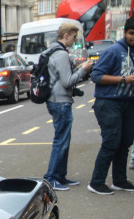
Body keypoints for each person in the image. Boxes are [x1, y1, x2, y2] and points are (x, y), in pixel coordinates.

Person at [42, 23, 94, 191]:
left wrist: (77, 68)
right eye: (73, 37)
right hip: (60, 101)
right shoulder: (61, 54)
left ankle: (61, 176)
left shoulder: (51, 51)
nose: (74, 40)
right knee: (61, 140)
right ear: (66, 35)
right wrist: (83, 70)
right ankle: (51, 177)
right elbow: (67, 81)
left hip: (55, 99)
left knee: (64, 139)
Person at [87, 17, 134, 195]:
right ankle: (96, 182)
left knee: (125, 142)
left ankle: (119, 181)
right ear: (125, 33)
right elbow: (96, 76)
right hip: (109, 103)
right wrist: (123, 79)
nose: (133, 38)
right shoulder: (114, 51)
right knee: (111, 142)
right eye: (131, 34)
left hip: (129, 103)